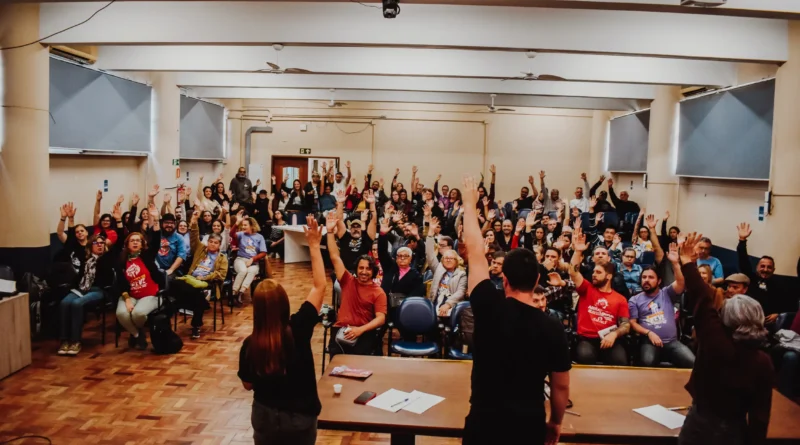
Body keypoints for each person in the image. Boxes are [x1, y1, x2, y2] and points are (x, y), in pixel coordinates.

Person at [459, 175, 570, 445]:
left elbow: (474, 252)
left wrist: (469, 203)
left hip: (484, 422)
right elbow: (561, 386)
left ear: (504, 280)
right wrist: (555, 422)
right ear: (536, 282)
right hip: (527, 424)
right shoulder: (552, 327)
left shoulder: (487, 304)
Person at [677, 233, 773, 445]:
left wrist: (687, 263)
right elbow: (760, 416)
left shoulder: (714, 341)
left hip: (699, 424)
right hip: (734, 430)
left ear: (726, 318)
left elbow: (702, 297)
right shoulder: (763, 361)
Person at [238, 216, 325, 445]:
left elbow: (247, 384)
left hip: (265, 416)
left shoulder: (250, 344)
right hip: (299, 417)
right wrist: (314, 246)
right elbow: (319, 286)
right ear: (284, 304)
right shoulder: (299, 328)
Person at [325, 216, 387, 357]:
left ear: (373, 271)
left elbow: (380, 319)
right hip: (341, 330)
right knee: (336, 370)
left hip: (363, 333)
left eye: (368, 269)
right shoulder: (348, 281)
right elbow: (335, 257)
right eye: (361, 268)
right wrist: (329, 232)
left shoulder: (379, 292)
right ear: (356, 269)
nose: (364, 271)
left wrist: (360, 330)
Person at [568, 228, 631, 366]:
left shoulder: (620, 298)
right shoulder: (586, 288)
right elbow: (573, 272)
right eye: (594, 271)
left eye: (598, 272)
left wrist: (614, 334)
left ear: (608, 276)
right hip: (586, 339)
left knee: (621, 362)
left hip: (609, 338)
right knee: (586, 358)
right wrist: (578, 251)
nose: (593, 274)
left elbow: (626, 325)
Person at [628, 244, 695, 368]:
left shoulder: (667, 293)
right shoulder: (634, 299)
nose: (646, 280)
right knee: (647, 363)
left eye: (651, 277)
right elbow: (633, 323)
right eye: (644, 277)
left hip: (671, 342)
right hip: (649, 341)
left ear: (659, 281)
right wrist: (649, 333)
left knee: (692, 363)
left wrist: (675, 263)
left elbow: (681, 282)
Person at [171, 211, 229, 339]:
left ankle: (195, 324)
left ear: (219, 245)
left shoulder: (222, 258)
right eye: (211, 242)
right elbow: (194, 236)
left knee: (196, 292)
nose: (212, 244)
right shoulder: (200, 249)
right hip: (192, 277)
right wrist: (194, 221)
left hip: (207, 280)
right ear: (207, 242)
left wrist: (205, 277)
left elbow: (221, 275)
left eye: (215, 243)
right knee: (173, 282)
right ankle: (200, 305)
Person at [58, 232, 116, 355]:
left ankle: (75, 341)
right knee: (64, 303)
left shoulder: (106, 259)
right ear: (91, 246)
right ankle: (64, 341)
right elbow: (71, 244)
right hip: (81, 289)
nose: (99, 245)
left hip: (98, 290)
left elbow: (118, 242)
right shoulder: (86, 260)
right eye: (96, 243)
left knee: (77, 304)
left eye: (102, 243)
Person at [736, 222, 797, 324]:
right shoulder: (751, 279)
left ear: (773, 270)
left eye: (769, 267)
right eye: (762, 266)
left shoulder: (780, 285)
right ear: (757, 267)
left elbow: (789, 304)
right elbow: (743, 260)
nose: (765, 269)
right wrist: (742, 240)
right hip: (749, 320)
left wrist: (778, 314)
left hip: (769, 323)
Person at [115, 228, 166, 350]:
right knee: (121, 313)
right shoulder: (122, 260)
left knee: (138, 314)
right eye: (132, 240)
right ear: (127, 244)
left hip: (150, 294)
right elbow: (121, 282)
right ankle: (137, 334)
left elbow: (156, 243)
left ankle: (134, 331)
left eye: (138, 240)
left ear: (142, 244)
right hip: (130, 295)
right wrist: (127, 299)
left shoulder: (147, 256)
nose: (135, 243)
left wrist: (156, 224)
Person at [376, 215, 425, 308]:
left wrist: (417, 237)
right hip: (384, 306)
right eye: (400, 256)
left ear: (411, 259)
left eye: (406, 256)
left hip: (405, 309)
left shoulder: (415, 275)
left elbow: (423, 253)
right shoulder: (390, 267)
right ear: (396, 257)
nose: (402, 258)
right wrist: (382, 234)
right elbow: (382, 252)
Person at [425, 217, 467, 316]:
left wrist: (448, 304)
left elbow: (460, 292)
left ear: (456, 261)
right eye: (445, 258)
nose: (448, 260)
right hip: (435, 302)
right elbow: (430, 254)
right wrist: (430, 233)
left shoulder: (461, 273)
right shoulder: (438, 268)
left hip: (452, 305)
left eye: (451, 258)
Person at [333, 189, 377, 273]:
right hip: (345, 272)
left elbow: (374, 221)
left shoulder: (366, 238)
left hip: (362, 273)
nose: (356, 228)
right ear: (350, 228)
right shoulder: (345, 236)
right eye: (353, 226)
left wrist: (372, 204)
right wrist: (340, 204)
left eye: (358, 226)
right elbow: (339, 220)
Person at [233, 217, 268, 304]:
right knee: (243, 270)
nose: (243, 227)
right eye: (242, 225)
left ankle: (240, 293)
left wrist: (252, 259)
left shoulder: (259, 237)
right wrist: (236, 224)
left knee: (252, 271)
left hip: (253, 262)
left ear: (252, 226)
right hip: (240, 259)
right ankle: (234, 292)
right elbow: (231, 234)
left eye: (245, 225)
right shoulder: (241, 234)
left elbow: (263, 252)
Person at [56, 202, 90, 272]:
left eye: (82, 231)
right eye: (77, 232)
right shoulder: (71, 243)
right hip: (73, 274)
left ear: (87, 233)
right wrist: (64, 218)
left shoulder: (92, 244)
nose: (80, 233)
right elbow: (60, 233)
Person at [153, 212, 189, 278]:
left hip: (172, 270)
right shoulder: (156, 235)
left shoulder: (179, 238)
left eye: (172, 223)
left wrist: (171, 270)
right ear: (161, 223)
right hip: (155, 268)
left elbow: (181, 256)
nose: (169, 225)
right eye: (166, 222)